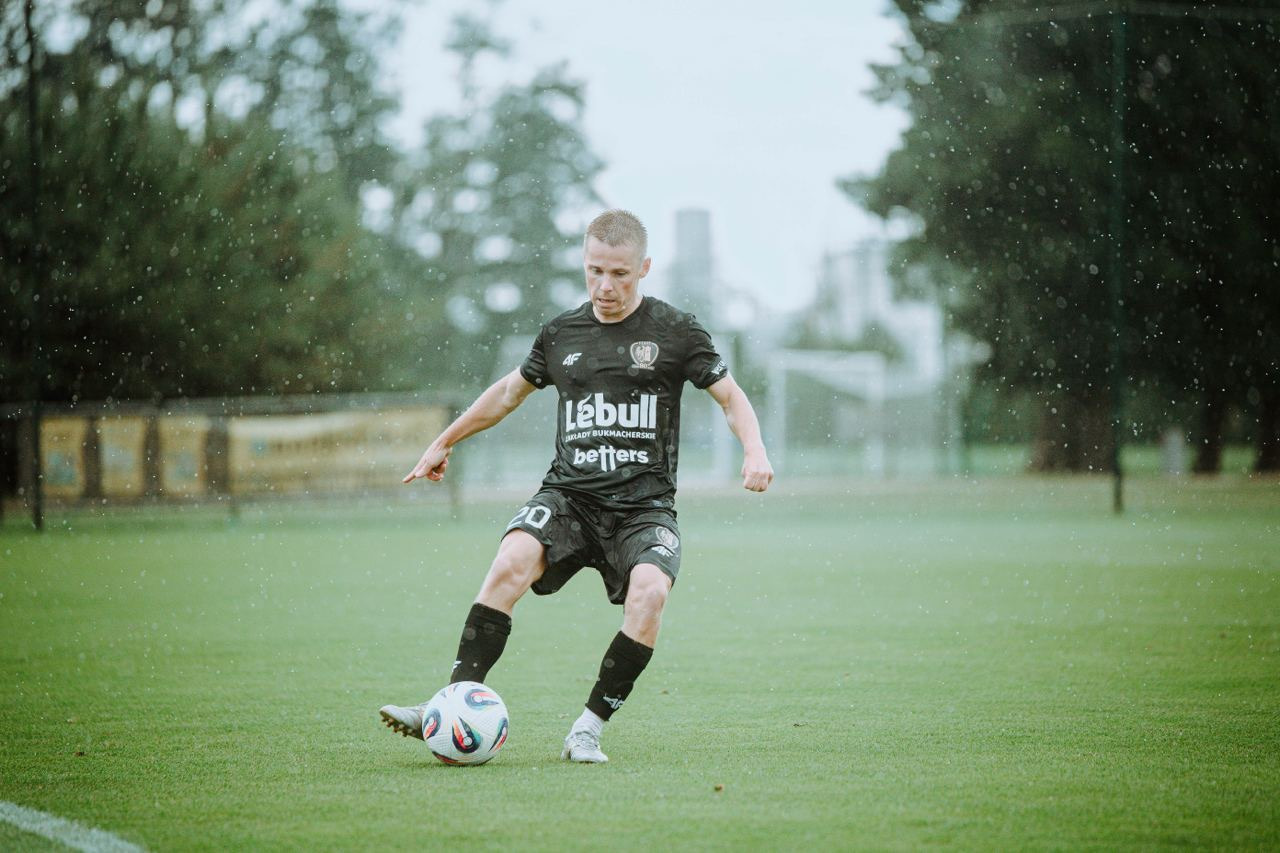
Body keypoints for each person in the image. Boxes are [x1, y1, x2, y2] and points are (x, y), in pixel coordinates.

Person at [380, 209, 773, 763]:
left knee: (651, 593)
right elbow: (508, 394)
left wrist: (754, 449)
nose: (605, 286)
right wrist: (445, 440)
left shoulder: (676, 331)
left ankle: (587, 729)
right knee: (511, 560)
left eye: (620, 274)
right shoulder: (561, 333)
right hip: (568, 497)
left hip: (643, 508)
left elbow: (730, 397)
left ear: (644, 268)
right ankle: (448, 702)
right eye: (595, 271)